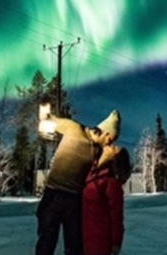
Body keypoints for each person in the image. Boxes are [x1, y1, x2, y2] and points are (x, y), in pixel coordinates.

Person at [35, 103, 121, 255]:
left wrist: (107, 157)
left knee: (75, 246)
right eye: (111, 138)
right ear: (105, 131)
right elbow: (51, 120)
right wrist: (45, 110)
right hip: (53, 194)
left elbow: (98, 174)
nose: (110, 142)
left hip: (74, 200)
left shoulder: (99, 151)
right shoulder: (74, 128)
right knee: (46, 242)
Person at [81, 146, 131, 255]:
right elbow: (116, 217)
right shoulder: (112, 185)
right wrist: (116, 242)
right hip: (101, 239)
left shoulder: (90, 178)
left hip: (83, 236)